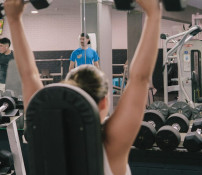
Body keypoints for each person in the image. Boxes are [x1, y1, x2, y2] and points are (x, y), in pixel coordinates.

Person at [4, 0, 161, 175]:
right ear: (104, 103)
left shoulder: (44, 133)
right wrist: (153, 13)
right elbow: (140, 78)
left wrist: (14, 18)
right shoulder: (112, 142)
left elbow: (28, 76)